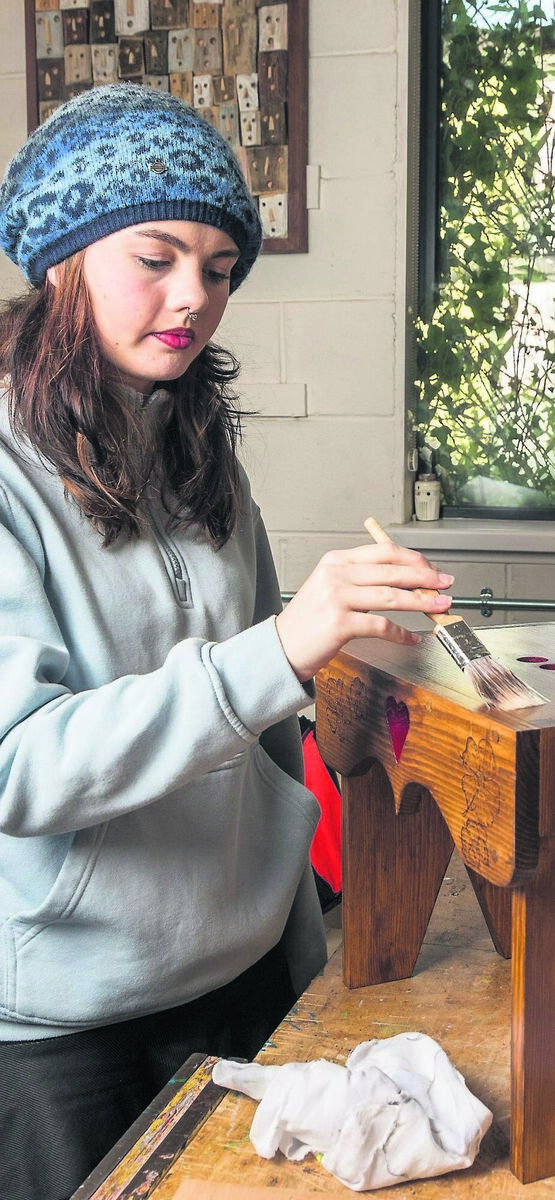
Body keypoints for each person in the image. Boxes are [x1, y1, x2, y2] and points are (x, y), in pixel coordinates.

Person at [0, 83, 454, 1200]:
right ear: (64, 260)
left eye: (219, 267)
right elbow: (20, 766)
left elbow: (261, 738)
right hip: (68, 1032)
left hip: (256, 980)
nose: (193, 296)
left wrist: (304, 945)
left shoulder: (200, 453)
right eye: (156, 256)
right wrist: (282, 647)